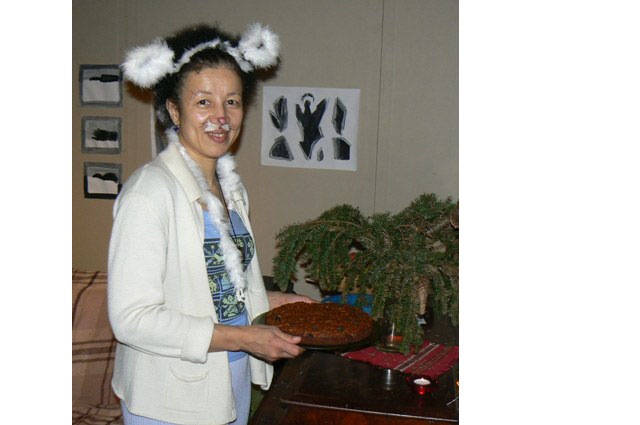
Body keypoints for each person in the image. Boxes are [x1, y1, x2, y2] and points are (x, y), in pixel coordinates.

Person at [108, 23, 314, 425]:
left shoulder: (229, 188)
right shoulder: (149, 193)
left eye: (232, 102)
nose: (221, 116)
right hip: (169, 401)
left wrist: (267, 302)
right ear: (174, 109)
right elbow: (132, 319)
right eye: (204, 101)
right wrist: (244, 337)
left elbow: (213, 288)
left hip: (226, 381)